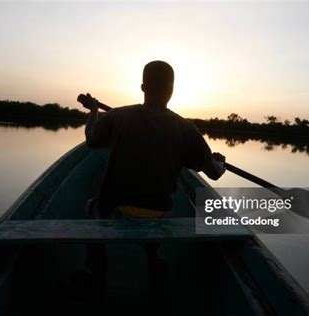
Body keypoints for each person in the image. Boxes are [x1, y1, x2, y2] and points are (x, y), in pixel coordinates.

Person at [81, 60, 226, 295]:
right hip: (159, 214)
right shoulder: (186, 129)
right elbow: (213, 173)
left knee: (91, 207)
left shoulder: (117, 116)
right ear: (171, 90)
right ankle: (153, 258)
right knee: (150, 212)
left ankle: (95, 273)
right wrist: (220, 163)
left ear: (142, 87)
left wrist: (94, 112)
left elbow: (91, 139)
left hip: (116, 210)